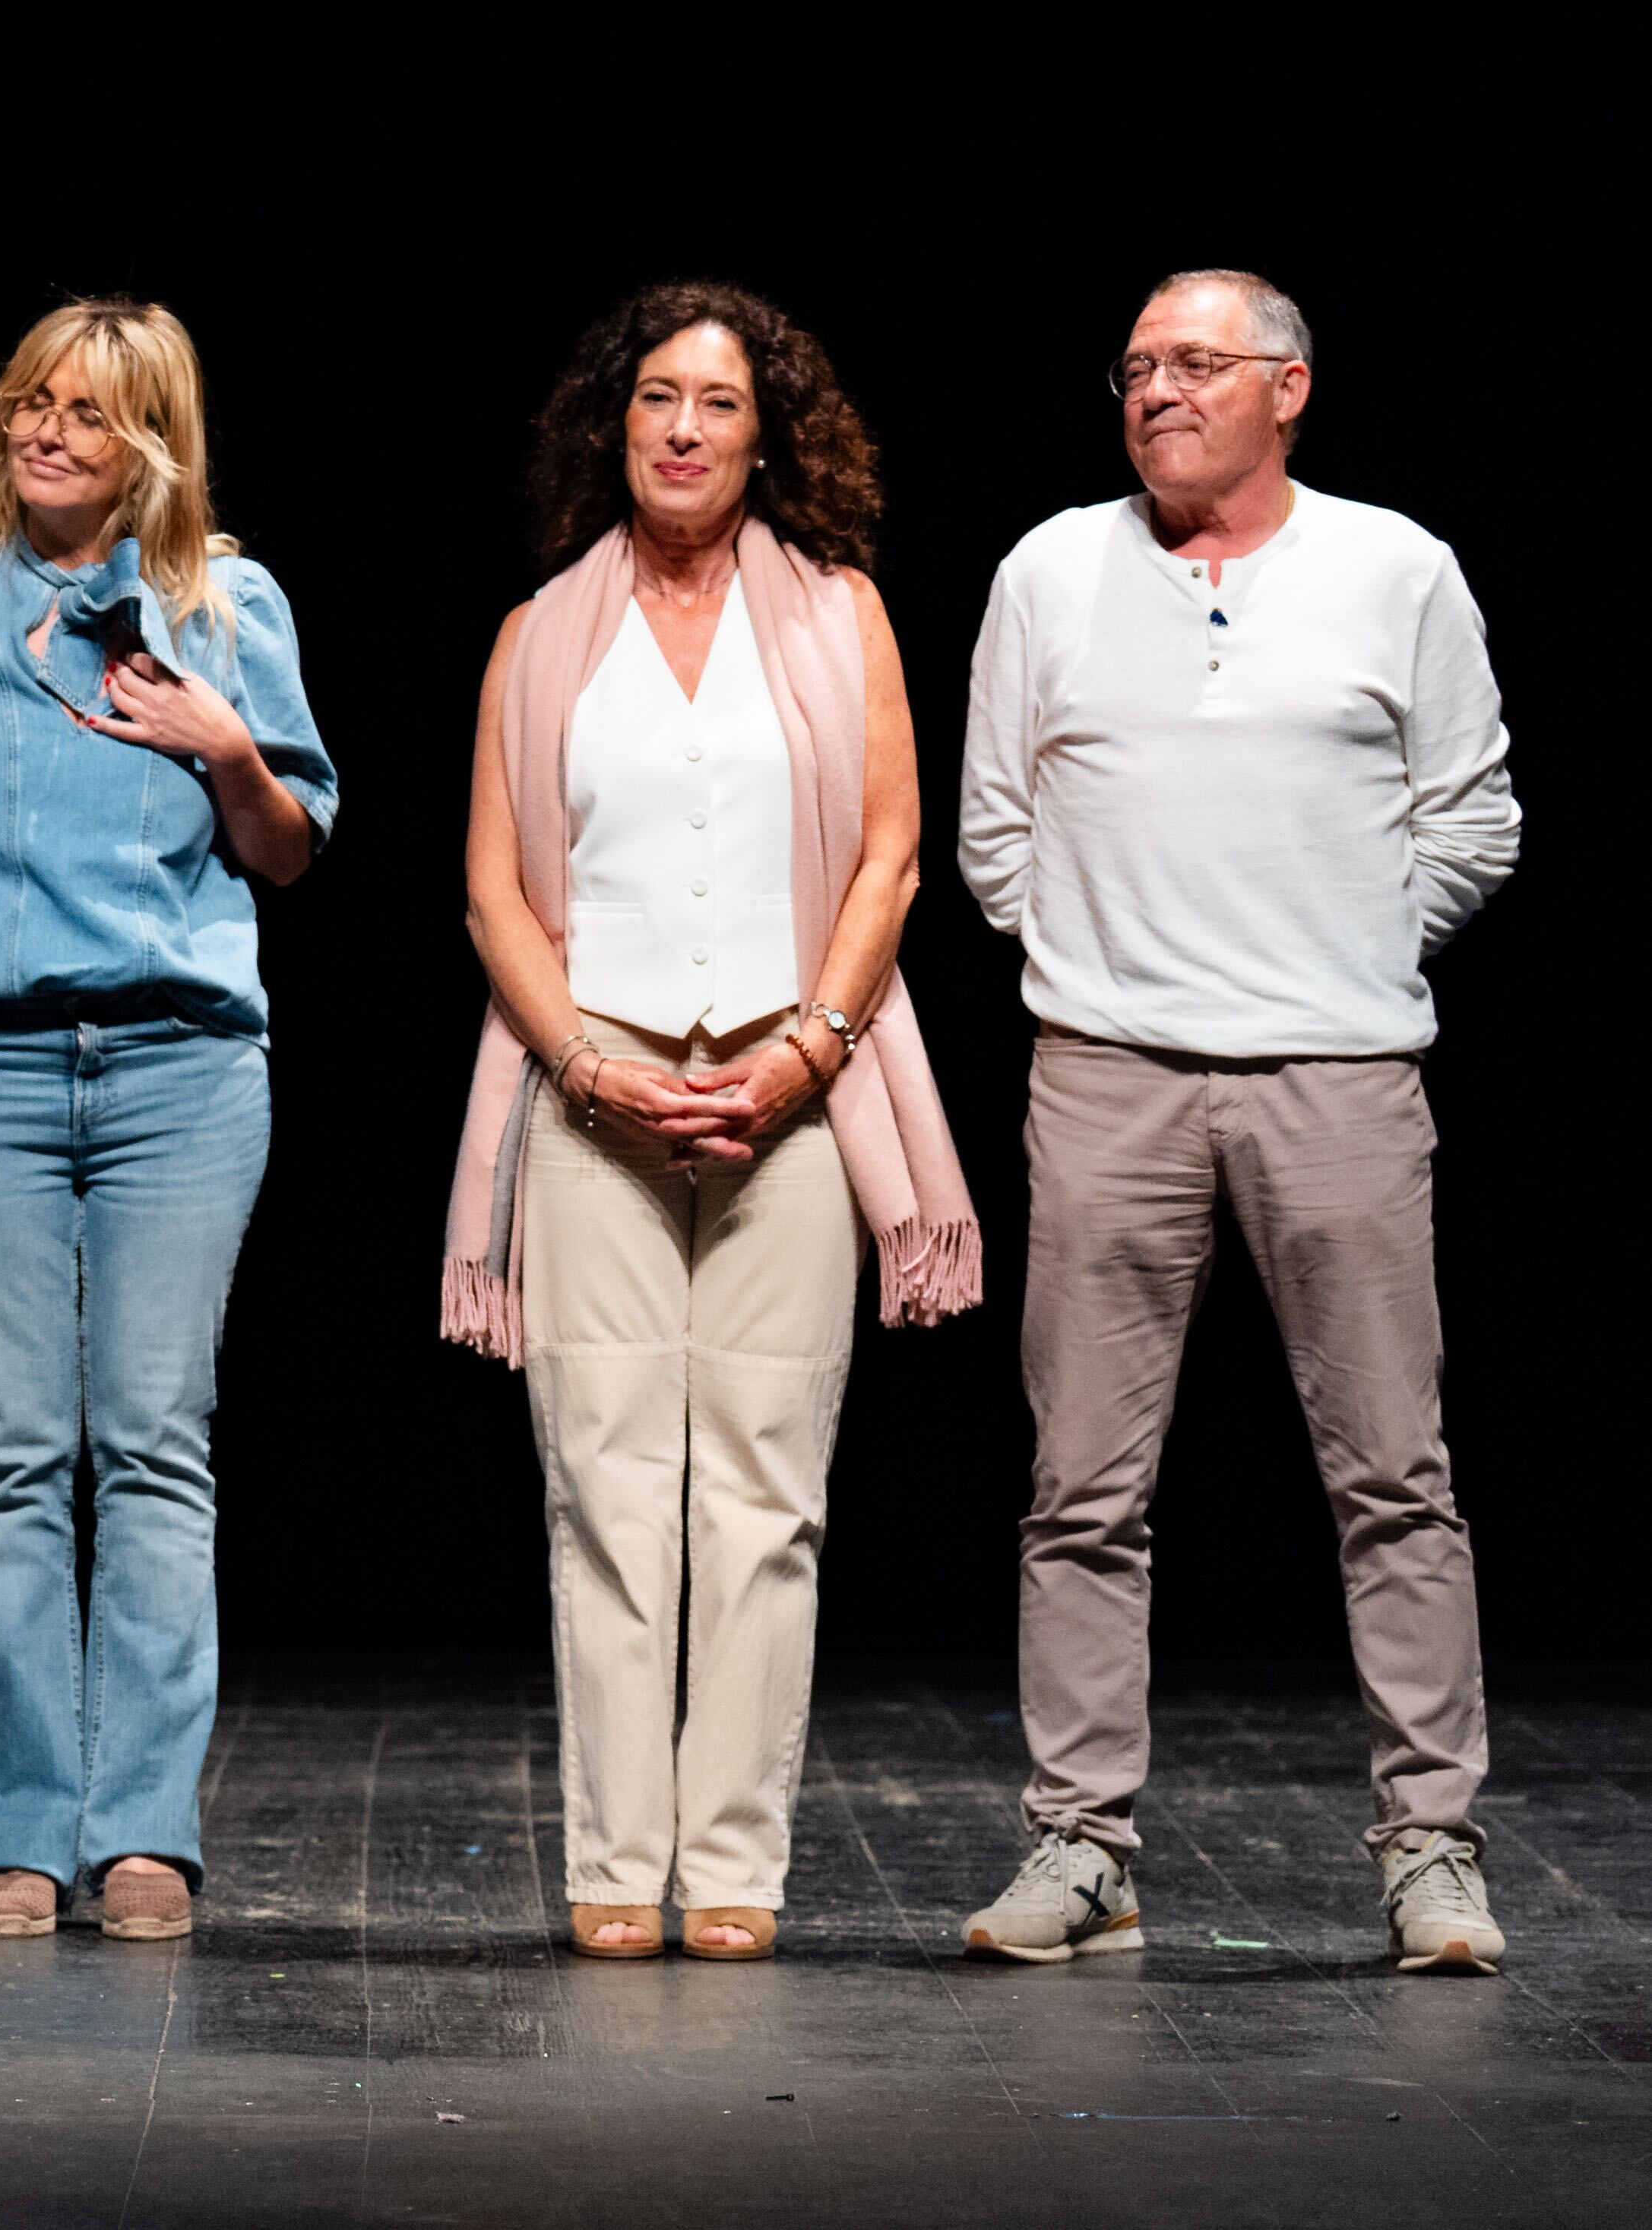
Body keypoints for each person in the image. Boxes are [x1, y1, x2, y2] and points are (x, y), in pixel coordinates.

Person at [956, 271, 1520, 1974]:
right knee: (1082, 1490)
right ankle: (1082, 1848)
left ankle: (1432, 1850)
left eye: (1194, 364)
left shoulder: (1395, 567)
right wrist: (1117, 966)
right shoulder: (1050, 570)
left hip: (1336, 1077)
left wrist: (1329, 948)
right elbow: (999, 833)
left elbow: (1472, 820)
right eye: (1133, 367)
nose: (1155, 391)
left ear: (1288, 386)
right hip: (1109, 1075)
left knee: (1394, 1478)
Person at [442, 282, 979, 1963]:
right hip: (593, 1083)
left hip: (793, 1079)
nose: (683, 428)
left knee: (763, 1489)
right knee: (604, 1486)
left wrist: (810, 1051)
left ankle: (733, 1863)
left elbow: (890, 852)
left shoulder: (840, 615)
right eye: (657, 399)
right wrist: (591, 1072)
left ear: (769, 435)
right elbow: (492, 892)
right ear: (617, 425)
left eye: (719, 404)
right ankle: (616, 1858)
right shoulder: (542, 631)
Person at [0, 299, 338, 1944]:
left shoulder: (227, 604)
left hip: (181, 1071)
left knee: (156, 1450)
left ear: (150, 444)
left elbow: (288, 850)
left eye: (92, 415)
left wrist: (223, 743)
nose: (50, 433)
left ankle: (144, 1834)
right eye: (36, 403)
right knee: (13, 1458)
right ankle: (21, 1830)